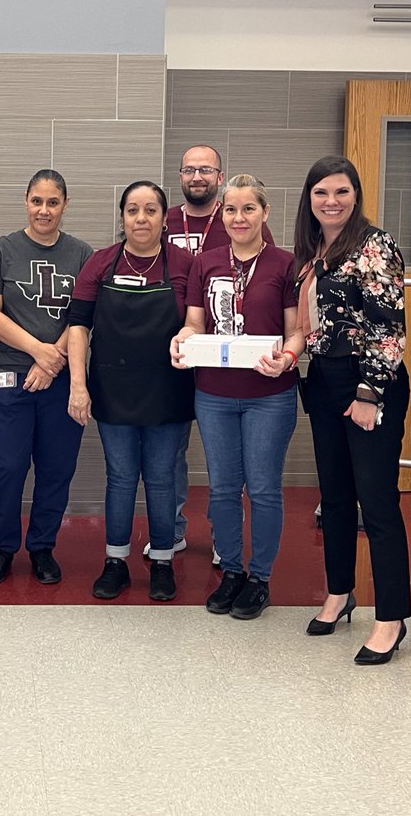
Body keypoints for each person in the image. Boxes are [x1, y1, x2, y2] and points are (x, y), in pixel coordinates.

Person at [294, 155, 411, 665]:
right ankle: (339, 594)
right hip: (323, 380)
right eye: (321, 193)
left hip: (368, 384)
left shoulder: (376, 245)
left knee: (378, 504)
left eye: (341, 192)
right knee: (335, 498)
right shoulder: (312, 249)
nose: (331, 201)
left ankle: (392, 617)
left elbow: (389, 327)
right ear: (310, 200)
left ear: (356, 195)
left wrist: (368, 394)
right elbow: (314, 322)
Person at [171, 174, 302, 619]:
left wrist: (287, 357)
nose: (239, 217)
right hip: (214, 393)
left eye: (249, 209)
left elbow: (296, 330)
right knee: (223, 488)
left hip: (270, 394)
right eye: (231, 209)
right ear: (221, 214)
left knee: (263, 489)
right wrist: (182, 340)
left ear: (265, 213)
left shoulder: (286, 264)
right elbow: (194, 322)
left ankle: (260, 577)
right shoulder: (205, 263)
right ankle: (230, 570)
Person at [68, 181, 195, 602]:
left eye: (151, 210)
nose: (141, 219)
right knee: (120, 479)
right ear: (121, 217)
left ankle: (162, 562)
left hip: (169, 391)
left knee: (161, 480)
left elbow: (197, 323)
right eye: (133, 210)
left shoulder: (184, 264)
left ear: (164, 217)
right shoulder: (100, 264)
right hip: (112, 389)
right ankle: (115, 562)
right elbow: (78, 328)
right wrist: (78, 386)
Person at [0, 170, 93, 585]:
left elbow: (82, 317)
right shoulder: (2, 250)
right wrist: (37, 352)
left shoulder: (82, 254)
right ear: (26, 202)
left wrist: (52, 360)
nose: (44, 210)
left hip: (62, 376)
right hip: (9, 374)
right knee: (7, 467)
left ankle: (42, 547)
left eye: (53, 202)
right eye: (37, 201)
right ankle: (2, 547)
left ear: (65, 204)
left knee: (56, 467)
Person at [161, 145, 275, 564]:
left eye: (205, 169)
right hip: (176, 352)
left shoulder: (249, 229)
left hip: (235, 365)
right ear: (180, 175)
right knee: (172, 450)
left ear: (219, 175)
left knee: (234, 469)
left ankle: (222, 543)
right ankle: (170, 530)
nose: (197, 176)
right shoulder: (163, 218)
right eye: (189, 169)